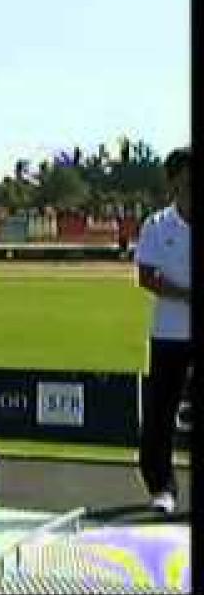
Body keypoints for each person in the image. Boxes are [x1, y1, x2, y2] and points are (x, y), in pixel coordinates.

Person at [134, 146, 192, 514]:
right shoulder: (156, 225)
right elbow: (146, 276)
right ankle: (162, 488)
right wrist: (185, 294)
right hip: (169, 333)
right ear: (173, 181)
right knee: (160, 413)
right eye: (185, 177)